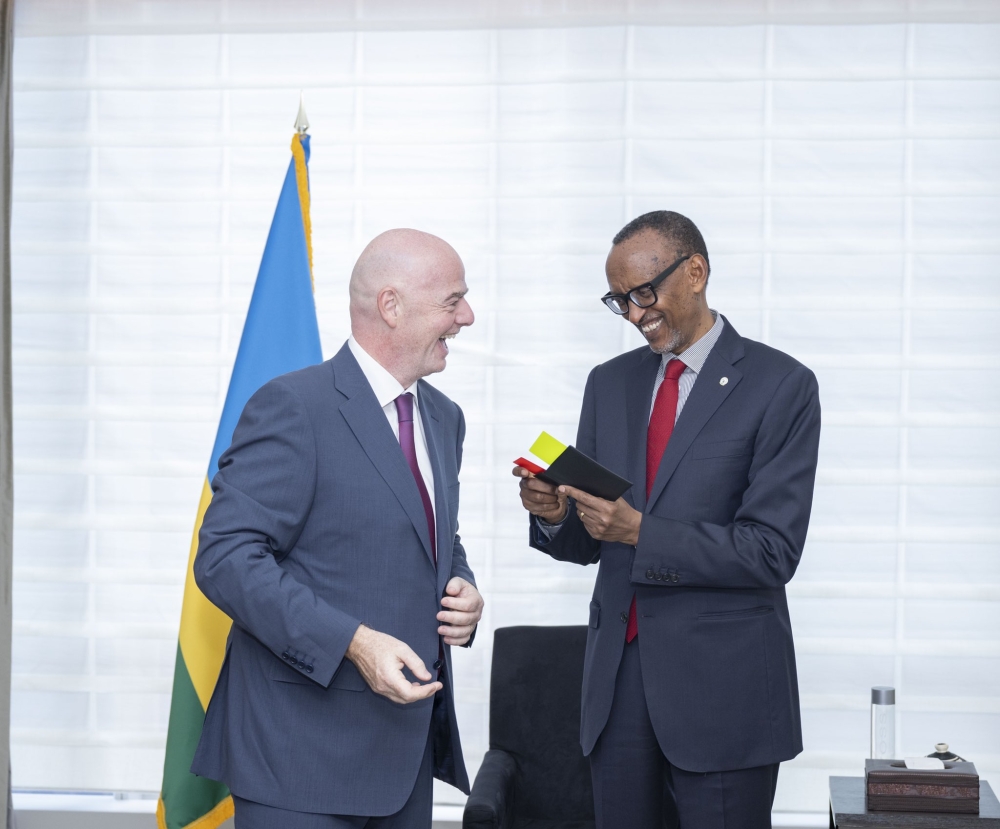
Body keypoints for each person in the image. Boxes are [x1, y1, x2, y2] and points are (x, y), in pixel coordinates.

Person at [514, 211, 821, 829]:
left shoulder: (781, 385)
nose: (634, 314)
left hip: (724, 694)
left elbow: (770, 551)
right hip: (617, 687)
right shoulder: (609, 384)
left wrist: (640, 531)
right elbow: (590, 538)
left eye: (644, 293)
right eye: (619, 300)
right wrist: (554, 515)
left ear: (696, 272)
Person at [191, 228, 485, 829]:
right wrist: (354, 641)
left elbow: (433, 534)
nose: (467, 317)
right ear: (391, 306)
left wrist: (462, 586)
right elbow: (226, 558)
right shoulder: (293, 406)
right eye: (452, 301)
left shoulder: (443, 417)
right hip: (297, 759)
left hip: (403, 757)